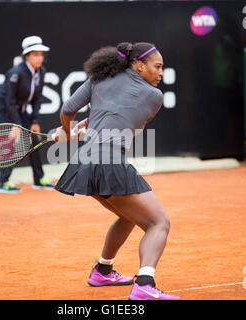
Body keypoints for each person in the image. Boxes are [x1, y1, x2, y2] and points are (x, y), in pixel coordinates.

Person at [53, 42, 181, 300]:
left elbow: (68, 109)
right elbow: (121, 119)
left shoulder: (99, 78)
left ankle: (103, 269)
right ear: (139, 65)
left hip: (84, 163)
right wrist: (79, 129)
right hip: (110, 163)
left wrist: (69, 130)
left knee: (129, 216)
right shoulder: (153, 96)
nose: (161, 74)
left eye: (163, 69)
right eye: (157, 67)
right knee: (158, 223)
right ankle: (145, 284)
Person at [0, 36, 55, 194]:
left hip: (18, 110)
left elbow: (37, 99)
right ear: (26, 56)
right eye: (35, 54)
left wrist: (34, 120)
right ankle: (3, 182)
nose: (39, 58)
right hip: (1, 108)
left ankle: (39, 180)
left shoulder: (41, 72)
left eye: (41, 54)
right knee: (12, 140)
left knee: (33, 138)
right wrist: (16, 125)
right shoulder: (16, 73)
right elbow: (9, 101)